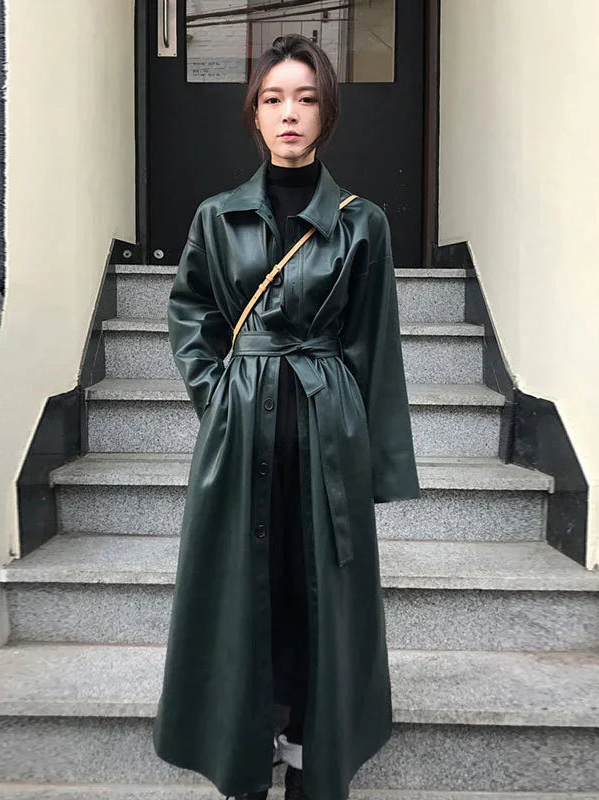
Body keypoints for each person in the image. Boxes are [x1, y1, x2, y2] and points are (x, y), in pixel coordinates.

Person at [152, 33, 420, 800]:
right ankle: (241, 751)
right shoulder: (216, 217)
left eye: (305, 98)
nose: (289, 113)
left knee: (316, 597)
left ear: (326, 112)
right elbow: (192, 316)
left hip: (327, 431)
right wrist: (218, 395)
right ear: (255, 114)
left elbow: (375, 342)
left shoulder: (362, 223)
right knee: (241, 591)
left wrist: (375, 461)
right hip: (241, 434)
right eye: (273, 99)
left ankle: (310, 752)